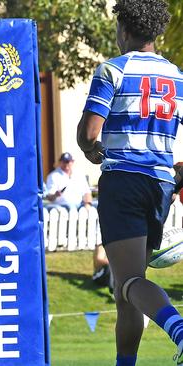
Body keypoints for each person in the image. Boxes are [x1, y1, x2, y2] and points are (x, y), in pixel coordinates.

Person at [76, 1, 183, 365]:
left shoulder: (113, 70)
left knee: (128, 284)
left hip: (123, 181)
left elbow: (90, 132)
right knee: (126, 294)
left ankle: (179, 331)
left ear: (124, 28)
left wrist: (90, 149)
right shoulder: (177, 75)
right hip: (161, 186)